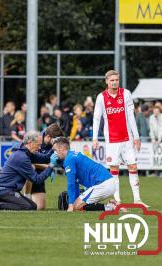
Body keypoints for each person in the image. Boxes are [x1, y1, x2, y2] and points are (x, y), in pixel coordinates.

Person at [93, 70, 149, 207]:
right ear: (106, 81)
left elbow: (131, 116)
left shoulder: (126, 94)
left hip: (127, 138)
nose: (114, 82)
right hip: (111, 140)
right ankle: (117, 201)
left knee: (133, 166)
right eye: (112, 80)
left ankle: (137, 199)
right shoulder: (101, 97)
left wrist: (136, 137)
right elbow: (96, 118)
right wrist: (95, 138)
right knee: (114, 170)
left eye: (116, 80)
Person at [0, 131, 56, 211]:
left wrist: (54, 148)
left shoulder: (26, 152)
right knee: (27, 207)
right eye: (38, 145)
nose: (40, 148)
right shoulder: (22, 157)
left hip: (8, 189)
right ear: (30, 143)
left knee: (33, 206)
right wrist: (50, 167)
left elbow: (44, 158)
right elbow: (36, 179)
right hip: (2, 190)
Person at [52, 137, 118, 212]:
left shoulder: (69, 160)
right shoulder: (72, 156)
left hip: (103, 184)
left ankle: (112, 207)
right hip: (107, 183)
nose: (55, 153)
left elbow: (71, 183)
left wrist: (71, 205)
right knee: (77, 205)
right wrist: (74, 201)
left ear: (62, 148)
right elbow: (75, 183)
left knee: (76, 206)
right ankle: (111, 206)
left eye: (55, 150)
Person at [25, 124, 64, 210]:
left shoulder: (53, 144)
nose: (57, 143)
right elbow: (27, 163)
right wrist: (48, 167)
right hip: (25, 172)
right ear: (48, 136)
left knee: (40, 208)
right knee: (31, 167)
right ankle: (26, 197)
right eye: (56, 140)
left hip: (39, 174)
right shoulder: (35, 139)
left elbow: (62, 162)